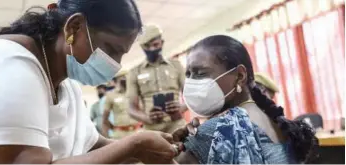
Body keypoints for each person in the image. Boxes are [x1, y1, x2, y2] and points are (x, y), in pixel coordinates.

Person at [0, 0, 181, 164]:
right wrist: (135, 145)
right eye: (111, 49)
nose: (115, 64)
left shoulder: (66, 83)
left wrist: (149, 148)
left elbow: (92, 148)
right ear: (74, 27)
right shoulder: (7, 65)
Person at [175, 35, 318, 164]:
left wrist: (169, 147)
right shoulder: (274, 121)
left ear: (240, 76)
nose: (191, 82)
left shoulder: (218, 130)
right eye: (188, 74)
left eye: (200, 73)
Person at [127, 24, 187, 133]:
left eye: (155, 44)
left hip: (177, 124)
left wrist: (181, 108)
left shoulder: (177, 66)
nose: (152, 49)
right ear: (142, 47)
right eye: (147, 46)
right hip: (152, 129)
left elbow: (191, 97)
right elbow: (131, 109)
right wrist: (147, 119)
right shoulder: (134, 72)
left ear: (162, 43)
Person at [102, 71, 141, 139]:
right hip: (120, 135)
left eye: (127, 76)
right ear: (116, 81)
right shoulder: (110, 95)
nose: (125, 79)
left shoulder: (138, 92)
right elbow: (105, 120)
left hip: (139, 132)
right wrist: (106, 138)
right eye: (122, 77)